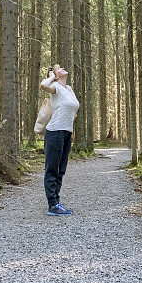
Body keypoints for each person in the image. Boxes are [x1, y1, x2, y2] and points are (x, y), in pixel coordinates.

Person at [40, 64, 79, 216]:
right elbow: (43, 85)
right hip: (54, 131)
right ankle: (52, 205)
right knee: (52, 169)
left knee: (61, 170)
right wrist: (51, 76)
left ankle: (57, 202)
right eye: (59, 68)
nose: (63, 68)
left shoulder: (69, 89)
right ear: (56, 75)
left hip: (66, 132)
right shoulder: (55, 87)